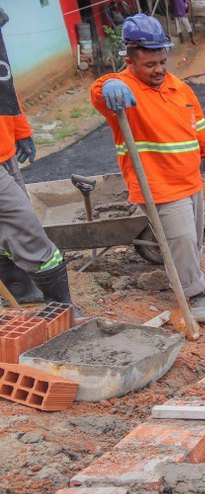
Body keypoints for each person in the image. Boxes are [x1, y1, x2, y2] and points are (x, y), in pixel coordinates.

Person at [90, 13, 205, 323]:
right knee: (183, 239)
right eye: (150, 65)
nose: (159, 69)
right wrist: (106, 84)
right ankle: (194, 293)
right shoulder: (122, 89)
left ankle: (189, 277)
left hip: (190, 179)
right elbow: (98, 92)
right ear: (131, 61)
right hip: (158, 185)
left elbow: (197, 122)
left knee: (192, 239)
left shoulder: (180, 88)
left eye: (163, 61)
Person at [0, 13, 78, 312]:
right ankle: (62, 305)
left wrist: (20, 130)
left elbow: (4, 89)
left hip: (5, 150)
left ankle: (20, 289)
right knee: (27, 227)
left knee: (11, 226)